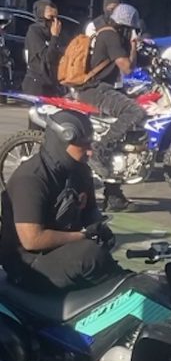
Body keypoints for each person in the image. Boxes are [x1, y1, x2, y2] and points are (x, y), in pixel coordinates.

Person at [0, 111, 123, 292]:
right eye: (83, 145)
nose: (90, 151)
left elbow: (90, 211)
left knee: (98, 254)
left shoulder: (79, 171)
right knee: (89, 255)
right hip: (28, 263)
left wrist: (99, 228)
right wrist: (82, 236)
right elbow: (32, 240)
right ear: (63, 141)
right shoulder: (30, 178)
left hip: (60, 250)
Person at [75, 3, 146, 212]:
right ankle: (99, 150)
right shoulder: (111, 36)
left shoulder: (110, 34)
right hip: (95, 90)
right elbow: (127, 67)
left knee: (125, 137)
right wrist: (133, 45)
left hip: (101, 88)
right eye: (133, 28)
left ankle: (113, 196)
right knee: (135, 111)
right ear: (126, 25)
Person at [22, 0, 63, 96]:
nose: (54, 22)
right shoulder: (34, 31)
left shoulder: (56, 33)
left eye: (56, 18)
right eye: (51, 18)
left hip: (53, 85)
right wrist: (54, 37)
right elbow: (47, 57)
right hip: (37, 85)